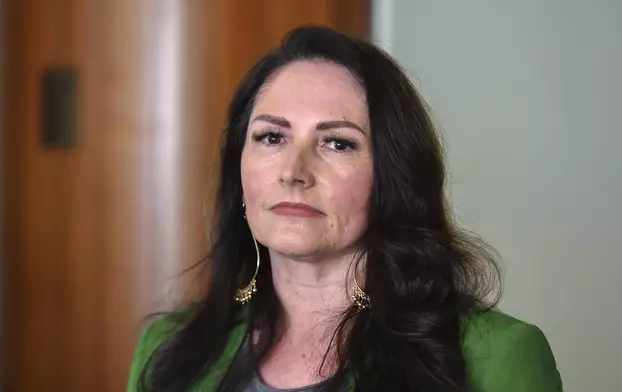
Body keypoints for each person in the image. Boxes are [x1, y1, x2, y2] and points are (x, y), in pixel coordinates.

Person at [127, 26, 563, 392]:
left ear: (392, 177)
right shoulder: (167, 348)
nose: (294, 172)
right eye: (271, 138)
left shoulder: (500, 358)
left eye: (338, 143)